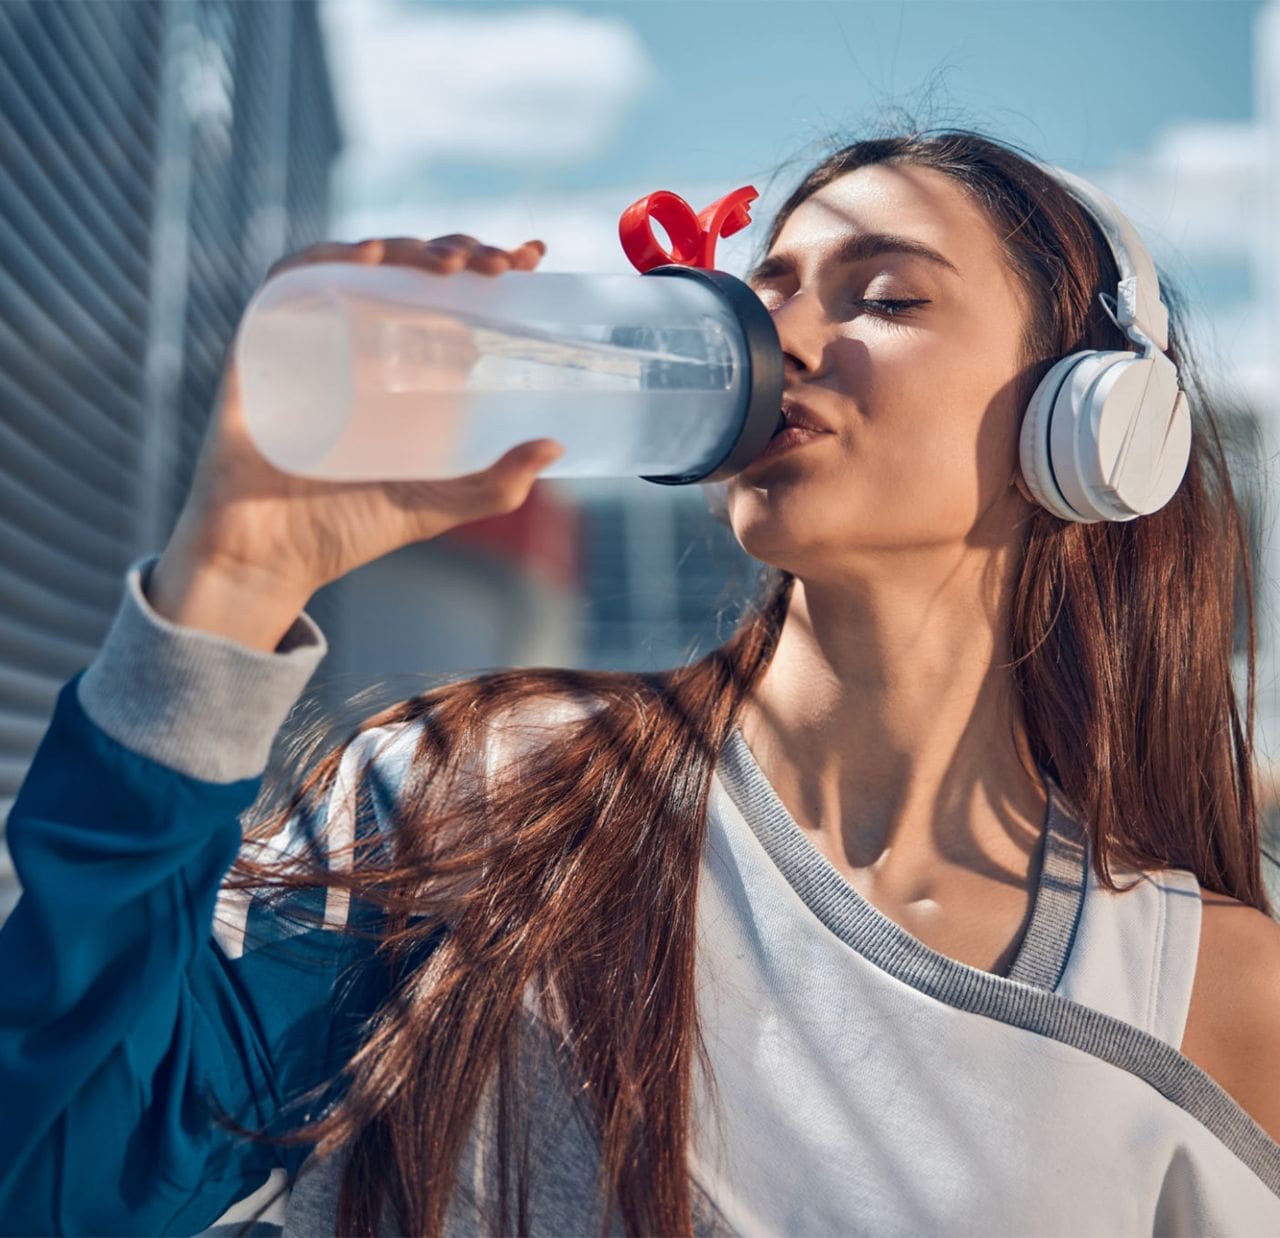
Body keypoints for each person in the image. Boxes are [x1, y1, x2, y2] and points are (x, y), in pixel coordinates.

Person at [2, 128, 1279, 1237]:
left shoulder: (1195, 991)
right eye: (765, 284)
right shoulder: (473, 799)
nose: (780, 337)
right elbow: (62, 1183)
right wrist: (231, 575)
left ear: (1091, 424)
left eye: (882, 298)